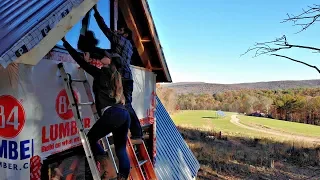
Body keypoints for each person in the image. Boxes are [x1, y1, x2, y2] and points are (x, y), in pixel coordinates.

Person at [62, 37, 130, 180]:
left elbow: (80, 61)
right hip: (124, 114)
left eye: (105, 56)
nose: (102, 57)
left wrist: (65, 42)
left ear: (110, 61)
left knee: (90, 139)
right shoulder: (115, 76)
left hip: (113, 114)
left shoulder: (102, 74)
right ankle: (122, 177)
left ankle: (104, 161)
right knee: (121, 149)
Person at [93, 5, 143, 142]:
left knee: (125, 105)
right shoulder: (129, 47)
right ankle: (136, 132)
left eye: (120, 30)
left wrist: (96, 13)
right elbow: (114, 56)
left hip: (123, 78)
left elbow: (105, 30)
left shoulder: (120, 40)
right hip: (128, 77)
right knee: (127, 105)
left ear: (125, 34)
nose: (117, 31)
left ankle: (137, 133)